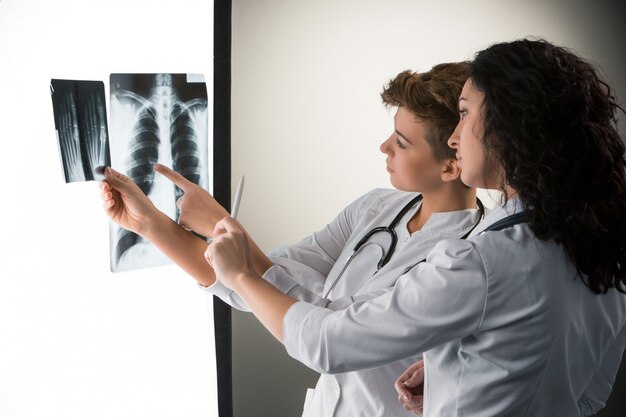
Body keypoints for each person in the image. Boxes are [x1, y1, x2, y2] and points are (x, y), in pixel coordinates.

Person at [200, 38, 626, 416]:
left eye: (464, 115)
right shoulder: (602, 251)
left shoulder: (480, 261)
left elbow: (327, 343)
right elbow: (589, 396)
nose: (456, 138)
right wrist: (454, 381)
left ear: (510, 127)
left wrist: (238, 274)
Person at [100, 63, 484, 416]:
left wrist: (224, 228)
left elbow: (329, 332)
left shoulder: (464, 259)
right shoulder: (376, 207)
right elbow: (260, 284)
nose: (383, 147)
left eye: (401, 142)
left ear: (451, 163)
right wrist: (148, 222)